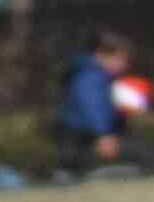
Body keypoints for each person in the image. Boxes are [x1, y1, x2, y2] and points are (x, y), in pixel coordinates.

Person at [58, 28, 136, 172]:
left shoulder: (101, 77)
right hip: (85, 141)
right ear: (101, 54)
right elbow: (92, 106)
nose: (125, 65)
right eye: (120, 58)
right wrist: (102, 135)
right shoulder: (90, 77)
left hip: (88, 139)